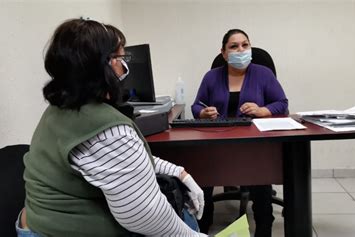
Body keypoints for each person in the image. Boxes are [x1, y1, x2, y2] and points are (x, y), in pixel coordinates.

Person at [16, 18, 207, 237]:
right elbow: (146, 214)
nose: (125, 66)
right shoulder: (107, 131)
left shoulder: (63, 108)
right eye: (120, 58)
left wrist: (178, 172)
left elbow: (123, 160)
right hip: (59, 230)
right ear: (102, 64)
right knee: (182, 218)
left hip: (39, 222)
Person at [191, 29, 288, 237]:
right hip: (218, 144)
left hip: (255, 145)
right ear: (224, 53)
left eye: (245, 45)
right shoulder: (211, 77)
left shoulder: (263, 73)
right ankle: (203, 226)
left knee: (261, 180)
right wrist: (204, 113)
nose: (241, 50)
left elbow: (282, 103)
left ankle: (264, 228)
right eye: (234, 46)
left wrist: (263, 110)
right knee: (203, 175)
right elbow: (196, 106)